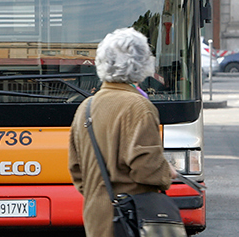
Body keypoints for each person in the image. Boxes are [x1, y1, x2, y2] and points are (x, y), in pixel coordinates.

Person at [68, 27, 177, 237]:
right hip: (132, 219)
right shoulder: (139, 107)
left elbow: (76, 169)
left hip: (96, 219)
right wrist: (167, 172)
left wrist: (99, 195)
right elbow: (147, 169)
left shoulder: (86, 107)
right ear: (143, 63)